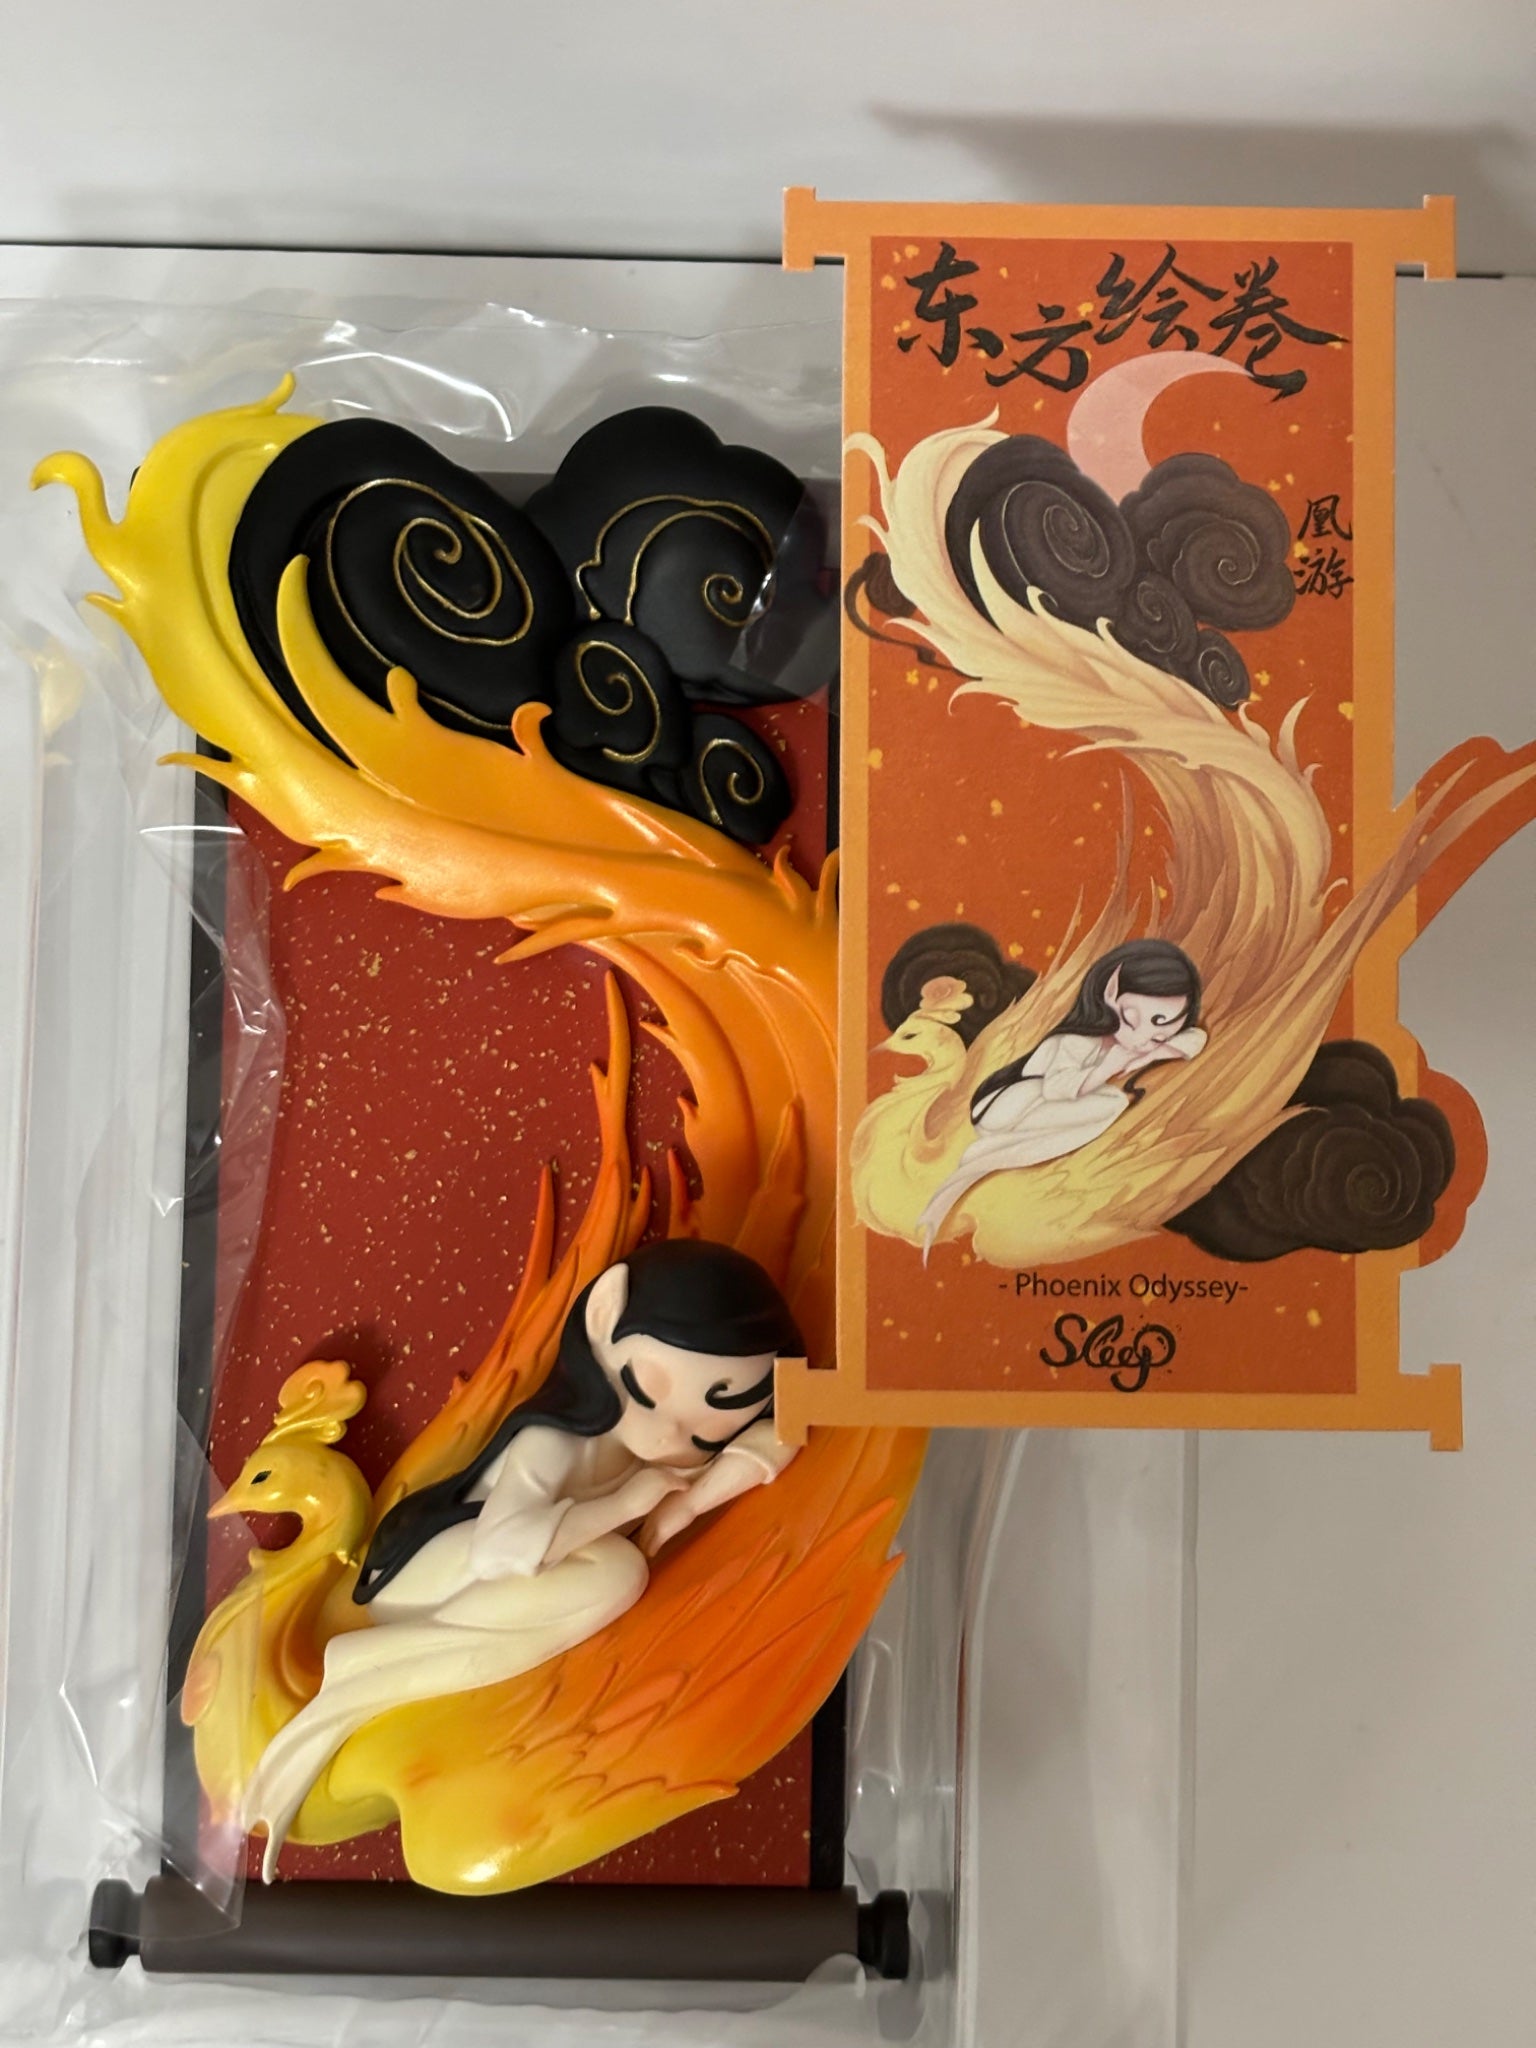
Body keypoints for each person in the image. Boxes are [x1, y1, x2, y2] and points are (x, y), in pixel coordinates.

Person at [240, 1239, 803, 1879]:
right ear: (603, 1318)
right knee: (619, 1574)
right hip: (437, 1568)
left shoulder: (661, 1451)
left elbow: (783, 1429)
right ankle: (367, 1666)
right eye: (652, 1386)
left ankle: (379, 1670)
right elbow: (501, 1548)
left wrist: (689, 1503)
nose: (671, 1433)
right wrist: (627, 1503)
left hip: (512, 1577)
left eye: (709, 1425)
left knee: (613, 1572)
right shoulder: (554, 1437)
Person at [918, 939, 1207, 1246]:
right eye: (1131, 1019)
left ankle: (996, 1153)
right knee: (1110, 1103)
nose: (1140, 1038)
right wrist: (1107, 1068)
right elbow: (1056, 1089)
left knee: (1108, 1104)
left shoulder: (1128, 1043)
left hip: (1030, 1110)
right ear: (1109, 992)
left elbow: (1195, 1038)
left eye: (1159, 1032)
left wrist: (1151, 1052)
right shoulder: (1078, 1039)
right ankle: (990, 1153)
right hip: (1005, 1105)